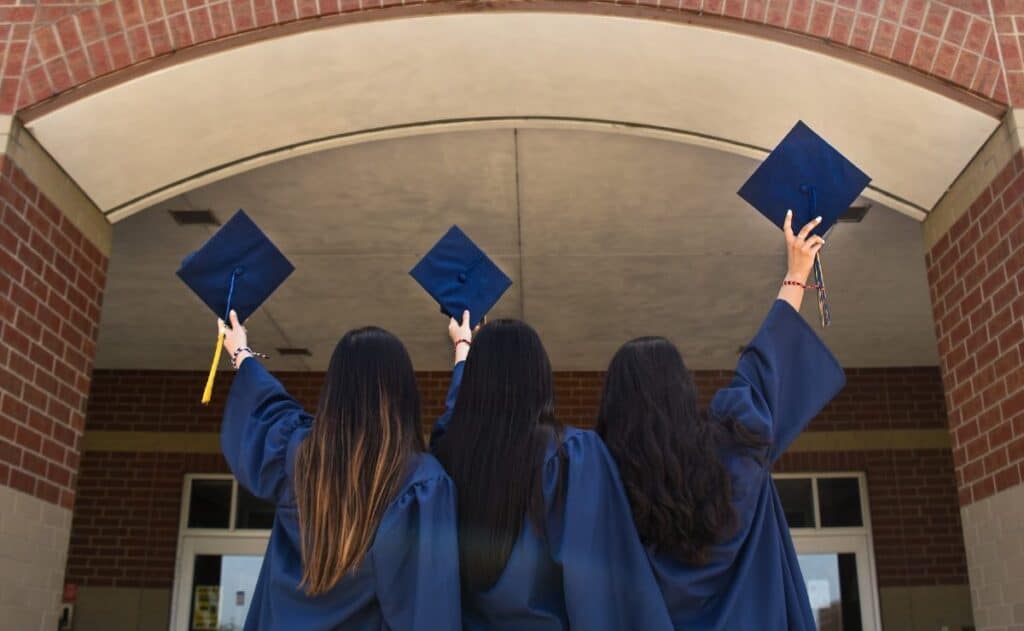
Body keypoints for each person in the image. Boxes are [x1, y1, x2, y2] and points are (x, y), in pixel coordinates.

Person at [596, 211, 846, 630]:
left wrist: (465, 351)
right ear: (683, 391)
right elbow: (765, 365)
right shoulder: (735, 450)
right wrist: (797, 271)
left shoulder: (601, 485)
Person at [218, 313, 461, 630]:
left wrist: (241, 352)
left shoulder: (296, 457)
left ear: (333, 389)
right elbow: (428, 611)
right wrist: (463, 351)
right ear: (404, 393)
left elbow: (267, 408)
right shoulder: (420, 483)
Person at [432, 313, 673, 631]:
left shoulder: (448, 457)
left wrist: (463, 350)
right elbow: (598, 588)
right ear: (539, 377)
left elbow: (454, 417)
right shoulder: (570, 455)